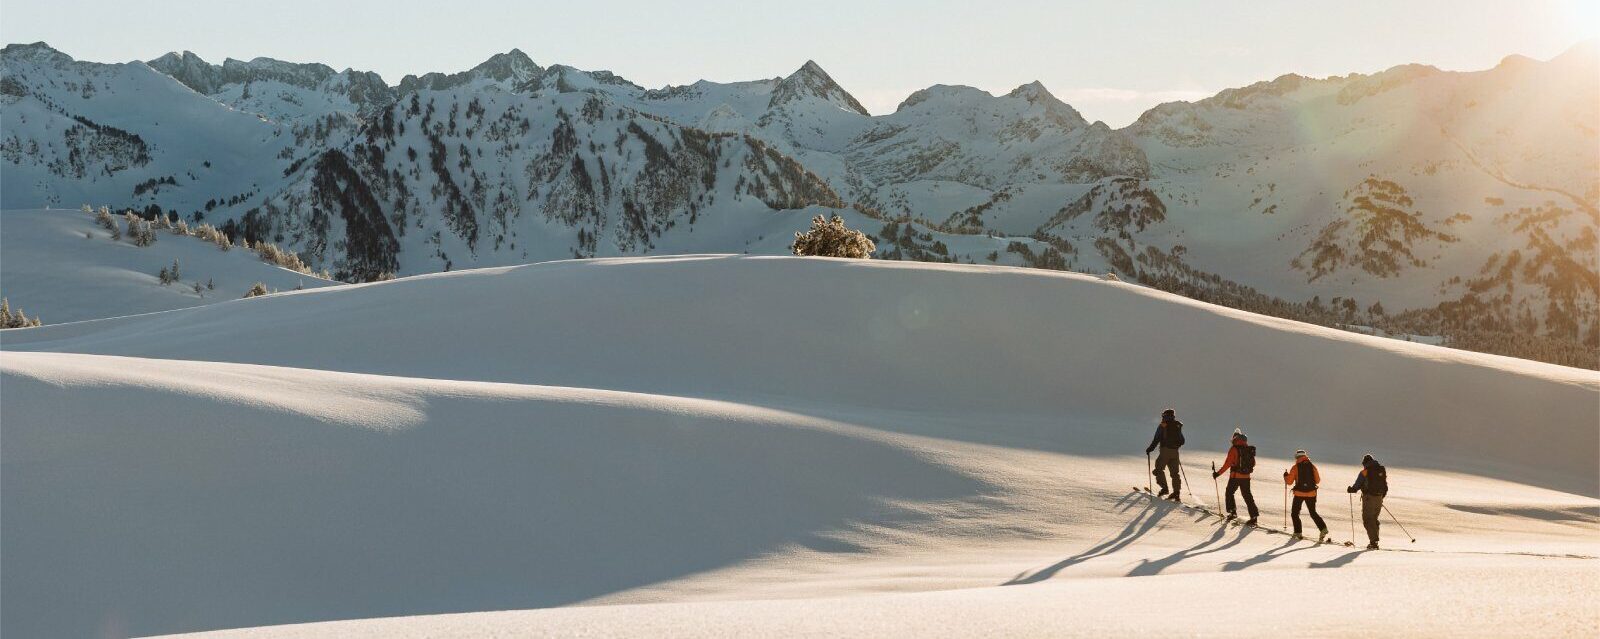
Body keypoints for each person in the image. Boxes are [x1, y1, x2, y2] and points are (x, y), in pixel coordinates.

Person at [1211, 428, 1259, 525]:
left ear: (1234, 438)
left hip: (1235, 477)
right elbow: (1253, 463)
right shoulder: (1248, 448)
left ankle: (1232, 512)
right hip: (1246, 477)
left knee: (1229, 492)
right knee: (1247, 496)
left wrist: (1218, 473)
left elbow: (1227, 464)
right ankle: (1254, 517)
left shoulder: (1234, 449)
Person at [1283, 450, 1329, 541]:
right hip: (1311, 493)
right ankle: (1323, 528)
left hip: (1299, 494)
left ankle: (1298, 532)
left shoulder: (1295, 467)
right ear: (1305, 456)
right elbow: (1318, 480)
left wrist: (1285, 476)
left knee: (1295, 513)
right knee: (1313, 513)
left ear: (1297, 457)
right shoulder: (1312, 466)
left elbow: (1289, 482)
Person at [1347, 454, 1388, 550]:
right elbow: (1385, 486)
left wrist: (1351, 489)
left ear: (1365, 463)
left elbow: (1357, 486)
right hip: (1379, 498)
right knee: (1374, 519)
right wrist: (1381, 497)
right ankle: (1375, 540)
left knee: (1368, 520)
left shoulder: (1365, 472)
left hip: (1369, 498)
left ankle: (1373, 543)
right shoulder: (1380, 470)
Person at [1144, 409, 1185, 501]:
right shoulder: (1177, 425)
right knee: (1175, 473)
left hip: (1165, 451)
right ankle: (1176, 493)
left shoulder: (1163, 425)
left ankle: (1164, 489)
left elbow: (1156, 439)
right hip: (1175, 452)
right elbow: (1182, 441)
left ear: (1165, 416)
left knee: (1158, 469)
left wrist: (1150, 449)